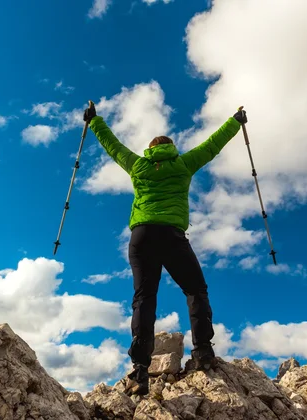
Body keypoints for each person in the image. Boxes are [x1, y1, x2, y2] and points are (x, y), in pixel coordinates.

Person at [82, 101, 247, 396]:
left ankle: (141, 370)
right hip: (172, 236)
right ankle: (203, 352)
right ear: (171, 147)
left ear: (150, 149)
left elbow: (112, 145)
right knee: (195, 289)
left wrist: (94, 120)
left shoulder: (138, 164)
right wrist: (235, 120)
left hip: (142, 236)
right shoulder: (182, 164)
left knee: (144, 299)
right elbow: (213, 144)